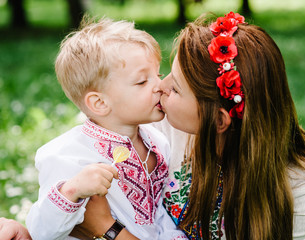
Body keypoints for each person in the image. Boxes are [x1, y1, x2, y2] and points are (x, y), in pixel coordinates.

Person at [72, 12, 305, 240]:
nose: (160, 88)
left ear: (219, 120)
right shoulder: (162, 126)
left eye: (175, 88)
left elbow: (100, 220)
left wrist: (108, 229)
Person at [25, 17, 186, 240]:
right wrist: (71, 191)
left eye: (157, 75)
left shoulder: (157, 142)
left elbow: (162, 213)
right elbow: (41, 232)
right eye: (142, 82)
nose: (159, 86)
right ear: (100, 103)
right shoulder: (68, 154)